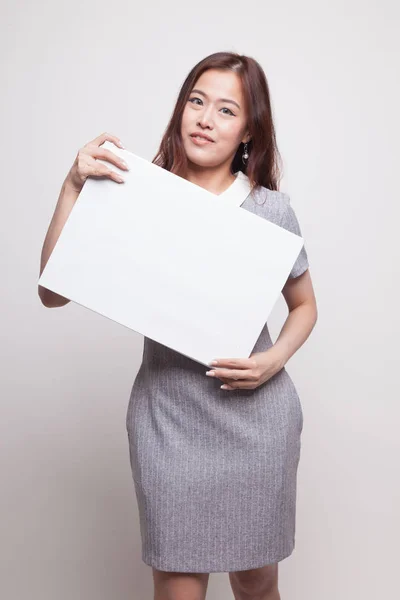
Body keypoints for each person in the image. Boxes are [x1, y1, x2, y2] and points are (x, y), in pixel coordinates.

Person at [38, 51, 318, 600]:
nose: (204, 118)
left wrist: (271, 361)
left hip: (257, 424)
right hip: (168, 421)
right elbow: (51, 292)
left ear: (247, 131)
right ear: (180, 109)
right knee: (178, 589)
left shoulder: (270, 210)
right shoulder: (134, 189)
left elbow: (304, 305)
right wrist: (72, 186)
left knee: (258, 587)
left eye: (225, 109)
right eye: (196, 101)